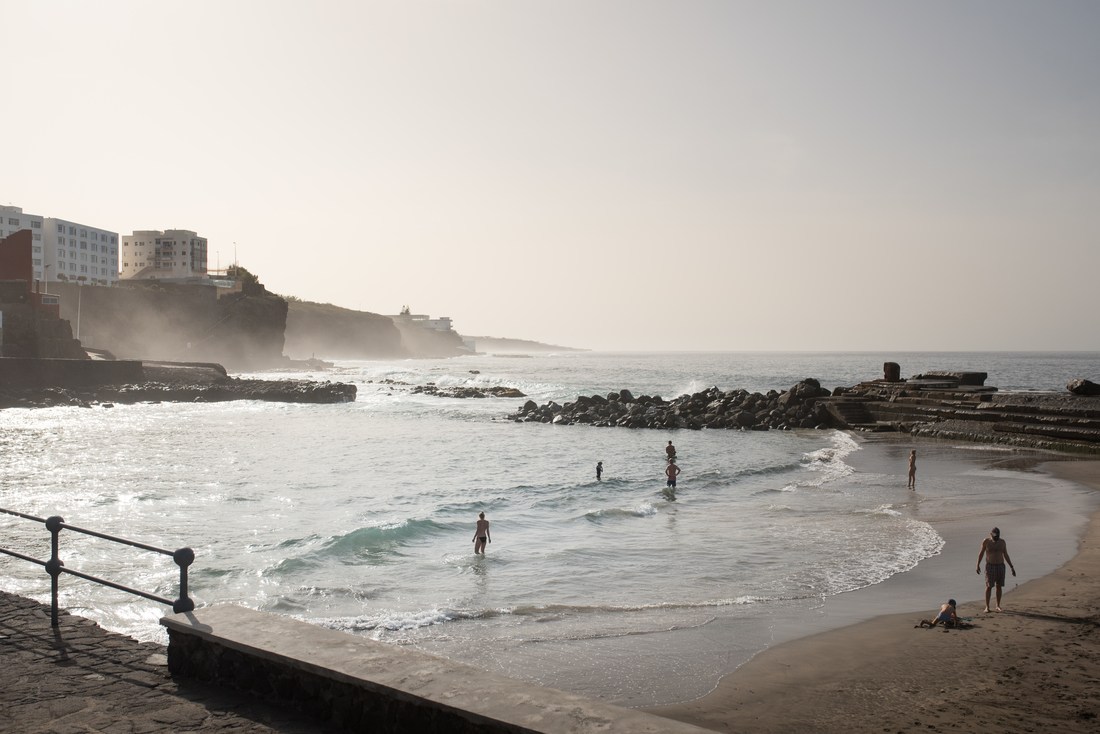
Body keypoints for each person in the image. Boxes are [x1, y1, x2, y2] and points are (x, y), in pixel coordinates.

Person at [976, 527, 1016, 612]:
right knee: (989, 586)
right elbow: (981, 553)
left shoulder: (1002, 542)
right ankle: (987, 607)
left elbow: (1005, 554)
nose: (996, 538)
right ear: (991, 534)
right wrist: (977, 565)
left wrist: (1012, 567)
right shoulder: (986, 541)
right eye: (994, 537)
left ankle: (998, 605)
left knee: (999, 586)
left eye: (997, 537)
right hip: (990, 566)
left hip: (1000, 566)